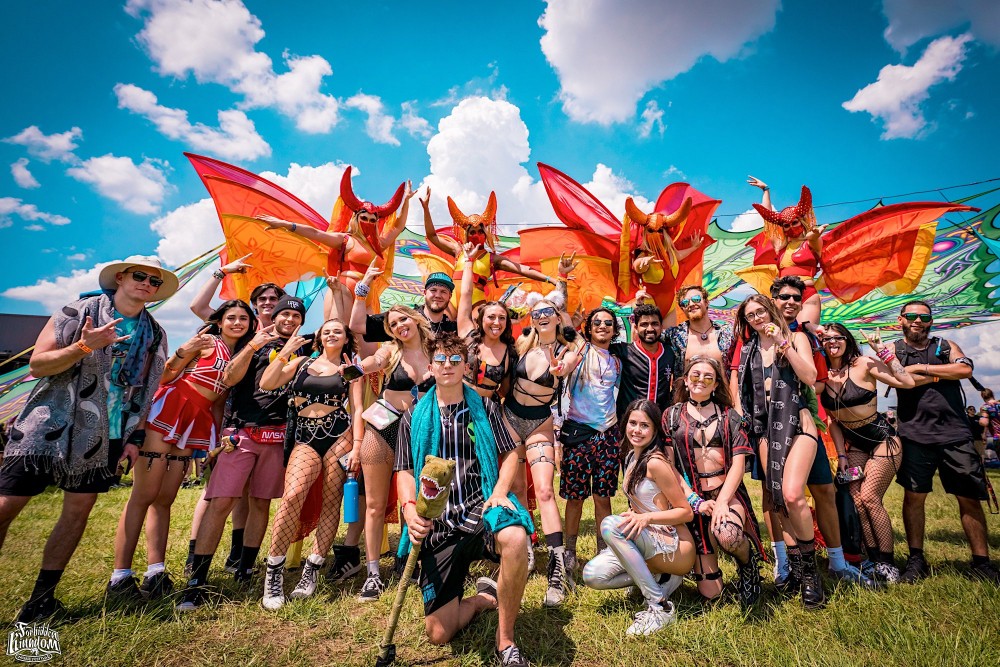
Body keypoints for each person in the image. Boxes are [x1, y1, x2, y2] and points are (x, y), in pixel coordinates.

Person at [0, 255, 174, 622]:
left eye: (154, 282)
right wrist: (84, 346)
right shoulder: (78, 312)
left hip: (105, 434)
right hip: (47, 425)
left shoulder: (155, 333)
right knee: (5, 508)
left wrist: (135, 436)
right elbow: (37, 365)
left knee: (77, 512)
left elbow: (147, 389)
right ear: (122, 277)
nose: (146, 284)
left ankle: (40, 602)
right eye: (140, 276)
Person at [395, 332, 532, 667]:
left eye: (455, 360)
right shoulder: (414, 415)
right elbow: (405, 472)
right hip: (437, 523)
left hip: (479, 507)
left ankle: (506, 643)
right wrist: (409, 509)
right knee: (439, 634)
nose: (448, 366)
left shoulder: (484, 407)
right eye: (441, 360)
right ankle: (485, 599)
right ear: (430, 367)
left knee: (514, 537)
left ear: (466, 367)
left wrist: (500, 491)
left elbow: (512, 453)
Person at [108, 299, 256, 603]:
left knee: (165, 499)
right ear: (219, 321)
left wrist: (212, 441)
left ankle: (156, 572)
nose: (238, 322)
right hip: (168, 411)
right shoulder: (206, 342)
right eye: (232, 317)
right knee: (143, 496)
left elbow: (217, 402)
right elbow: (162, 377)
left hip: (195, 423)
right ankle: (120, 576)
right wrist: (184, 350)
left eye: (244, 318)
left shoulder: (239, 355)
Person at [177, 294, 310, 610]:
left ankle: (246, 569)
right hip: (241, 432)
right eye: (284, 314)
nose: (289, 320)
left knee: (261, 503)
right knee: (220, 503)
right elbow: (229, 378)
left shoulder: (303, 347)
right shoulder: (251, 339)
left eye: (296, 316)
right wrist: (252, 347)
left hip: (277, 436)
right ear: (274, 316)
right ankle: (195, 582)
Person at [258, 319, 364, 609]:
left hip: (339, 435)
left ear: (345, 339)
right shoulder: (302, 362)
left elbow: (357, 411)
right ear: (319, 336)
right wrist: (284, 354)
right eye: (326, 329)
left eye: (338, 330)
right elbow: (267, 383)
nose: (331, 333)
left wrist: (356, 447)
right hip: (305, 436)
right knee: (292, 497)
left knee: (332, 502)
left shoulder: (351, 367)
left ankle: (312, 570)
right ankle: (274, 572)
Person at [892, 301, 1000, 584]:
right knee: (914, 498)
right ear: (901, 319)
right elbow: (899, 379)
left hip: (955, 433)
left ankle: (981, 562)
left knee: (969, 498)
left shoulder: (945, 344)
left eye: (923, 317)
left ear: (930, 320)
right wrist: (940, 373)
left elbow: (964, 371)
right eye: (912, 316)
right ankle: (916, 559)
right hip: (914, 433)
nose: (918, 321)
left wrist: (922, 370)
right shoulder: (894, 349)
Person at [188, 272, 286, 575]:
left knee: (254, 499)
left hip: (271, 431)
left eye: (274, 299)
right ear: (255, 305)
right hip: (233, 423)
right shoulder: (242, 330)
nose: (268, 304)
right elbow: (200, 308)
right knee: (219, 496)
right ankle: (196, 560)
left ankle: (238, 559)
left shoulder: (293, 336)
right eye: (263, 300)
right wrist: (221, 274)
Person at [733, 294, 826, 608]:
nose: (758, 318)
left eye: (761, 312)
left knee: (791, 494)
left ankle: (811, 572)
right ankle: (796, 566)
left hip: (798, 423)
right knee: (776, 500)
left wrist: (783, 344)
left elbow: (810, 378)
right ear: (746, 322)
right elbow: (741, 395)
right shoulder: (748, 350)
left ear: (771, 311)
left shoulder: (795, 337)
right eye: (751, 316)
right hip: (763, 429)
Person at [582, 399, 695, 636]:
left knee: (610, 524)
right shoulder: (631, 458)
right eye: (632, 423)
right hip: (647, 541)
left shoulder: (656, 462)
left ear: (654, 430)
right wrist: (637, 516)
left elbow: (686, 512)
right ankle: (659, 580)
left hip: (676, 546)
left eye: (644, 425)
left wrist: (646, 519)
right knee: (592, 576)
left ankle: (659, 605)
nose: (637, 430)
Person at [664, 357, 765, 608]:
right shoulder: (671, 415)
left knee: (728, 534)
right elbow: (669, 466)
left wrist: (721, 503)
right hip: (693, 500)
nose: (700, 380)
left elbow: (739, 464)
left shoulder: (730, 416)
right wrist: (693, 499)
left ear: (716, 383)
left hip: (726, 493)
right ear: (686, 381)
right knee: (711, 592)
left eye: (708, 377)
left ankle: (747, 565)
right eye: (695, 375)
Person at [353, 301, 436, 601]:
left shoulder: (435, 347)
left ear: (415, 319)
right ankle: (373, 573)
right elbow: (372, 362)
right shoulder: (391, 350)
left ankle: (410, 563)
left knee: (415, 500)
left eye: (404, 319)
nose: (400, 326)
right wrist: (353, 367)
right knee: (374, 504)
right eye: (393, 324)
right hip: (385, 421)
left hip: (422, 426)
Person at [257, 167, 413, 321]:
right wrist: (286, 224)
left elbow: (398, 227)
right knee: (343, 336)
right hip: (344, 291)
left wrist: (406, 201)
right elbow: (316, 234)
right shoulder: (345, 239)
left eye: (372, 220)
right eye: (364, 218)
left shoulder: (379, 244)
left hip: (367, 296)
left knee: (370, 344)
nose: (368, 223)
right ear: (356, 219)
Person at [821, 323, 913, 583]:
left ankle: (888, 562)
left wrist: (884, 353)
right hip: (854, 444)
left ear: (847, 340)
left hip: (882, 440)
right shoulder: (823, 374)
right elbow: (833, 421)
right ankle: (872, 560)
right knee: (857, 500)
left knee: (871, 497)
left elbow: (906, 381)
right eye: (827, 339)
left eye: (838, 337)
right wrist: (841, 455)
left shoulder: (863, 364)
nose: (833, 342)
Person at [506, 292, 580, 606]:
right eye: (536, 313)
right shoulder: (523, 344)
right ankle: (526, 549)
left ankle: (558, 567)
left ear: (558, 314)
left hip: (539, 423)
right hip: (509, 417)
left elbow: (564, 368)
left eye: (548, 311)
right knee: (518, 488)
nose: (541, 317)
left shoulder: (569, 350)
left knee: (546, 491)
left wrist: (558, 367)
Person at [422, 187, 560, 310]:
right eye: (473, 232)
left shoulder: (493, 259)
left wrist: (551, 279)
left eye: (480, 232)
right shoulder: (458, 251)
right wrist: (426, 209)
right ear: (467, 235)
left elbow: (523, 269)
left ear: (485, 234)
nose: (477, 235)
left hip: (476, 304)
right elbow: (432, 236)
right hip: (451, 303)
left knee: (478, 332)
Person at [559, 308, 621, 576]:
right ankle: (569, 553)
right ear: (589, 327)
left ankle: (603, 551)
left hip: (607, 434)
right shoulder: (580, 350)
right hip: (578, 433)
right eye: (597, 322)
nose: (603, 326)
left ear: (615, 329)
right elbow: (562, 323)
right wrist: (562, 279)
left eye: (608, 323)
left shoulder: (618, 360)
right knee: (575, 498)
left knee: (603, 497)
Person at [748, 177, 824, 325]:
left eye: (794, 222)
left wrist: (814, 236)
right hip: (782, 297)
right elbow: (769, 220)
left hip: (806, 295)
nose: (790, 227)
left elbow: (814, 239)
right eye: (786, 225)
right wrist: (766, 190)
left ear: (801, 222)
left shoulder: (812, 243)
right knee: (781, 336)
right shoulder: (781, 246)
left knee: (806, 332)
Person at [352, 268, 458, 341]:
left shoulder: (453, 329)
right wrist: (362, 291)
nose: (438, 295)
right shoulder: (404, 318)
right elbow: (357, 326)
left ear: (449, 296)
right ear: (425, 293)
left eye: (443, 292)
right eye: (433, 290)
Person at [612, 303, 675, 421]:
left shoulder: (670, 352)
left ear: (661, 327)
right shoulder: (624, 350)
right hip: (629, 422)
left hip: (659, 423)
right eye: (644, 324)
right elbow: (595, 344)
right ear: (636, 328)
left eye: (654, 324)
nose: (650, 329)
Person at [662, 284, 734, 380]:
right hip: (686, 394)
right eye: (685, 302)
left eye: (696, 299)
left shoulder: (727, 333)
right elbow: (645, 336)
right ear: (683, 309)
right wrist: (638, 305)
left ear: (706, 302)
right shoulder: (675, 335)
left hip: (722, 394)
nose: (691, 304)